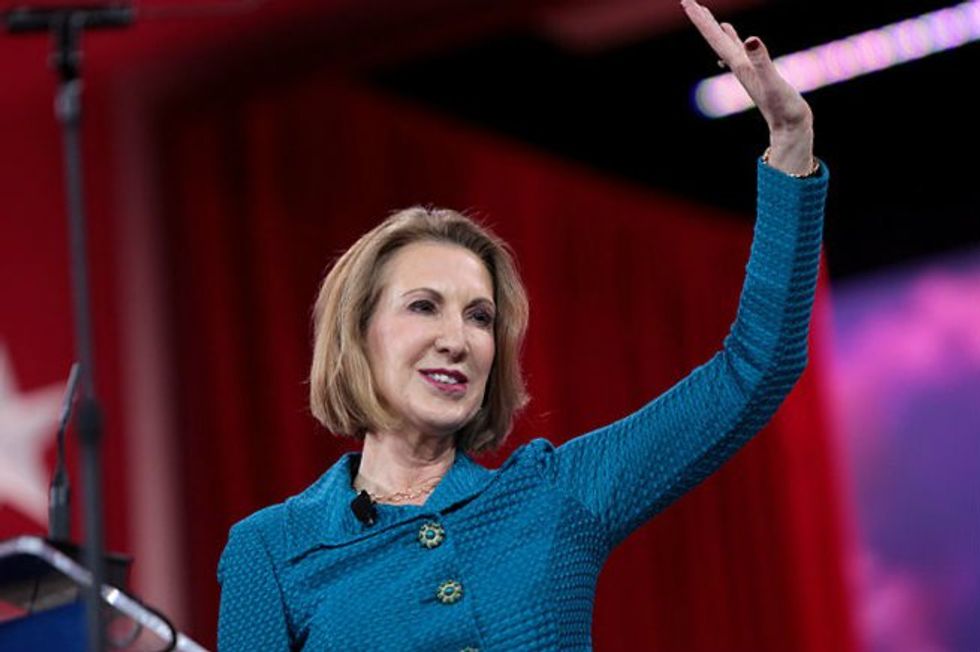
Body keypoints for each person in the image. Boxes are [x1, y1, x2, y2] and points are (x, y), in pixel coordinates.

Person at [217, 2, 829, 649]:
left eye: (479, 317)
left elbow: (756, 367)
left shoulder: (553, 496)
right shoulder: (271, 550)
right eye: (423, 305)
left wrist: (791, 142)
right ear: (358, 333)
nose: (457, 339)